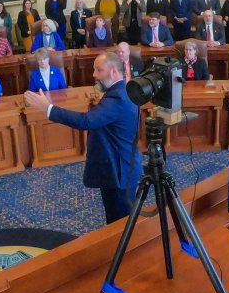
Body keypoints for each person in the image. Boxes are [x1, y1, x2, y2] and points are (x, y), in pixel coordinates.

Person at [24, 52, 141, 224]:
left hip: (119, 172)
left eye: (99, 70)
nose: (94, 75)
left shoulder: (117, 97)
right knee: (120, 220)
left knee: (120, 223)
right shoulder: (125, 90)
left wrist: (48, 108)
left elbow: (86, 121)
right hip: (123, 166)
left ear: (114, 72)